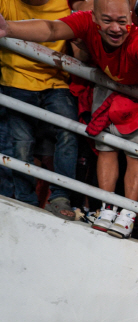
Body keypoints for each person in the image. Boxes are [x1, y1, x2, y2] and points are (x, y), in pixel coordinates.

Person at [0, 0, 138, 238]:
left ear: (131, 19)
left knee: (135, 154)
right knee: (105, 148)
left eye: (122, 21)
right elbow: (51, 29)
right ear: (94, 17)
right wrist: (8, 29)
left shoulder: (137, 40)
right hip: (108, 90)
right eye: (107, 21)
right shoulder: (84, 21)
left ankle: (127, 215)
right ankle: (106, 209)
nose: (115, 28)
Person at [0, 0, 79, 219]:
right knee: (21, 144)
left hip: (57, 83)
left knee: (69, 134)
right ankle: (25, 200)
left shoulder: (68, 4)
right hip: (15, 80)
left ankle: (60, 197)